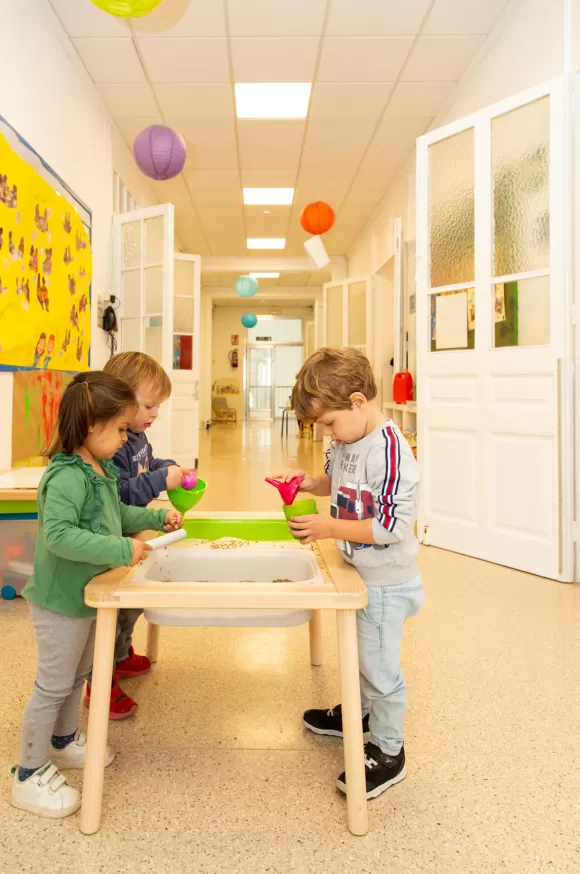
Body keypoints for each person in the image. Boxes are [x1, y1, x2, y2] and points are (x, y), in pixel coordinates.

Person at [12, 372, 182, 819]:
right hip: (59, 603)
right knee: (52, 686)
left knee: (77, 675)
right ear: (92, 425)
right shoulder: (66, 476)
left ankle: (63, 742)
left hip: (89, 596)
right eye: (122, 429)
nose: (127, 438)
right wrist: (123, 548)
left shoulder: (100, 468)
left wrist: (155, 517)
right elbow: (61, 535)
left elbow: (114, 512)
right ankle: (28, 774)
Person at [272, 347, 424, 800]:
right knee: (360, 653)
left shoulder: (392, 450)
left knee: (379, 667)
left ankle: (389, 750)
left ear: (358, 402)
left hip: (385, 580)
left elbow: (393, 526)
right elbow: (335, 485)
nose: (327, 434)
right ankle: (359, 715)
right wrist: (307, 482)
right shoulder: (345, 440)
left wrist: (329, 527)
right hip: (357, 571)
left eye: (329, 423)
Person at [83, 352, 188, 720]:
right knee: (112, 613)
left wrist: (167, 467)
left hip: (134, 536)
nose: (154, 414)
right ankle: (100, 682)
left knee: (133, 605)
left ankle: (122, 655)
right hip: (116, 539)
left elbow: (149, 464)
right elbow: (122, 493)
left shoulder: (138, 437)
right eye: (148, 405)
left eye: (158, 406)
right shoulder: (114, 442)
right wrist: (161, 481)